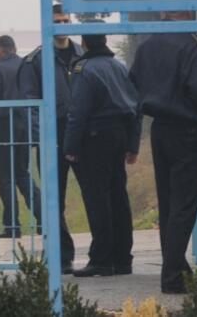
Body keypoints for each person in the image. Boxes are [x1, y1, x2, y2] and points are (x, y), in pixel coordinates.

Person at [129, 11, 197, 294]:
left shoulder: (147, 46)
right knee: (184, 205)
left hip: (160, 130)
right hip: (185, 130)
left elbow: (133, 83)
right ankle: (172, 276)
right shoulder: (189, 44)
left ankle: (177, 268)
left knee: (169, 203)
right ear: (182, 13)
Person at [63, 32, 142, 277]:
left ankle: (101, 259)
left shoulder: (83, 70)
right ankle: (122, 258)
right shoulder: (119, 67)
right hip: (119, 135)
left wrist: (70, 147)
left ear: (84, 44)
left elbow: (78, 111)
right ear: (105, 42)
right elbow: (136, 107)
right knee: (118, 196)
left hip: (95, 138)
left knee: (98, 199)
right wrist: (133, 144)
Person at [18, 4, 83, 274]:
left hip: (80, 133)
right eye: (58, 20)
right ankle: (61, 254)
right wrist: (42, 137)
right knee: (54, 199)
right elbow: (29, 104)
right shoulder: (36, 60)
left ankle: (105, 254)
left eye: (66, 20)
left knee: (95, 194)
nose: (62, 24)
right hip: (52, 134)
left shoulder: (83, 54)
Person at [0, 35, 41, 237]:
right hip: (25, 125)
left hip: (5, 126)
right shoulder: (28, 67)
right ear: (14, 47)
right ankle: (43, 219)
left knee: (6, 178)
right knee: (23, 174)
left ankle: (12, 226)